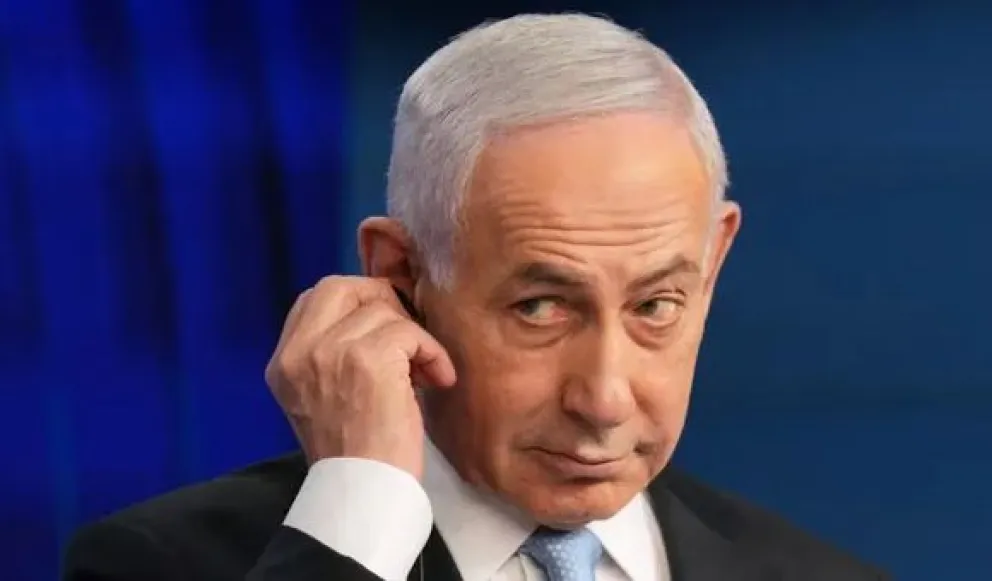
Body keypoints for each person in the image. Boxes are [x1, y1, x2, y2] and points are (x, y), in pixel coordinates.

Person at [62, 13, 888, 581]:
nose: (604, 399)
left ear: (713, 260)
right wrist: (356, 519)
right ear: (400, 276)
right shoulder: (153, 564)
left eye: (655, 306)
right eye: (541, 307)